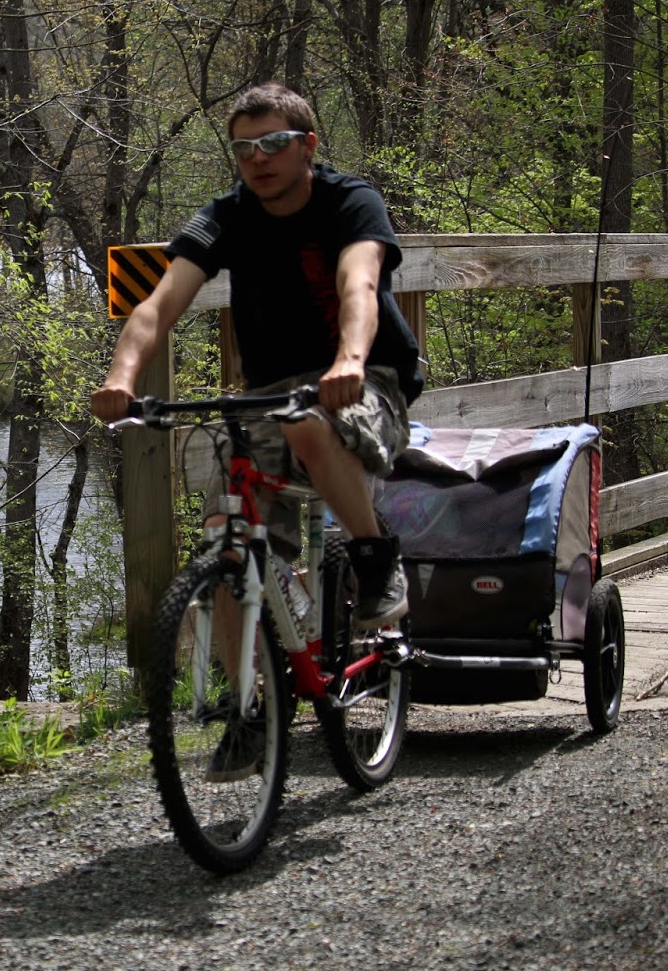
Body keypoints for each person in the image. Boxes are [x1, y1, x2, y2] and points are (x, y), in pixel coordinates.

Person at [92, 80, 422, 638]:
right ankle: (247, 705)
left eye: (273, 144)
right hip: (267, 394)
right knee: (226, 538)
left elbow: (359, 287)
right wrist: (120, 378)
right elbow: (156, 307)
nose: (257, 160)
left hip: (365, 382)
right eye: (244, 149)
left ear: (308, 145)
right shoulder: (226, 216)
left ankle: (374, 558)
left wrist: (349, 361)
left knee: (310, 427)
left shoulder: (350, 201)